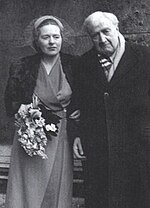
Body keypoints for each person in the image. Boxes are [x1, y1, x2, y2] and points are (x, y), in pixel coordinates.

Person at [73, 11, 150, 208]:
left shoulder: (144, 56)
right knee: (101, 198)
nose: (102, 39)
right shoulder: (84, 63)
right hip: (99, 146)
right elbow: (78, 103)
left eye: (106, 31)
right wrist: (78, 135)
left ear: (117, 28)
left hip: (138, 144)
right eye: (94, 35)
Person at [4, 15, 79, 208]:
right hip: (31, 135)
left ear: (62, 38)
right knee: (28, 186)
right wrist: (20, 107)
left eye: (56, 36)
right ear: (37, 40)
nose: (52, 42)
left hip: (60, 135)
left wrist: (78, 110)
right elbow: (10, 101)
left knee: (56, 185)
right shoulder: (22, 66)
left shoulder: (75, 65)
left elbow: (86, 96)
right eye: (46, 37)